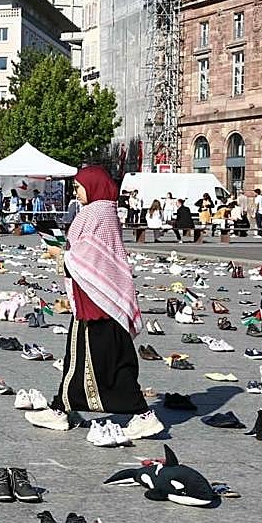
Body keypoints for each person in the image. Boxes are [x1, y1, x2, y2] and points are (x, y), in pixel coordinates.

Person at [26, 165, 162, 440]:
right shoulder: (103, 211)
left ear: (93, 186)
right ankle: (62, 408)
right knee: (102, 361)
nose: (76, 192)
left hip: (96, 304)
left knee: (94, 362)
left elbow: (87, 258)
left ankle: (140, 414)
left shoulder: (96, 213)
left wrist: (59, 254)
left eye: (79, 187)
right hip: (100, 300)